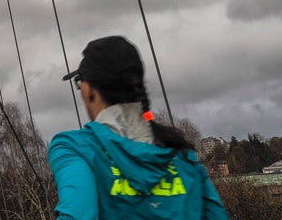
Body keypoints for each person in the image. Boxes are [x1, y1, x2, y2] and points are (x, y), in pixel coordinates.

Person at [48, 36, 228, 220]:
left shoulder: (74, 148)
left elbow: (78, 214)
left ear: (89, 90)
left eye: (79, 83)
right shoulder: (183, 156)